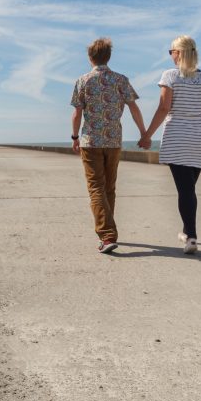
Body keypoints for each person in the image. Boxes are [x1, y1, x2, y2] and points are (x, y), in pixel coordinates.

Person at [139, 35, 201, 254]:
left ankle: (192, 237)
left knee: (185, 190)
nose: (170, 55)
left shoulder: (170, 76)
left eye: (171, 51)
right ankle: (187, 231)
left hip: (178, 138)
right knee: (189, 188)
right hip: (200, 138)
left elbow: (164, 108)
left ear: (179, 53)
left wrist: (147, 134)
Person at [71, 38, 147, 254]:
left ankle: (107, 235)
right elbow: (134, 108)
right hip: (113, 141)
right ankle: (109, 231)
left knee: (96, 187)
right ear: (108, 57)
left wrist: (75, 137)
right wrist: (143, 132)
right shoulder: (120, 80)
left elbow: (77, 113)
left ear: (90, 58)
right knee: (109, 187)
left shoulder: (83, 81)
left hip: (90, 141)